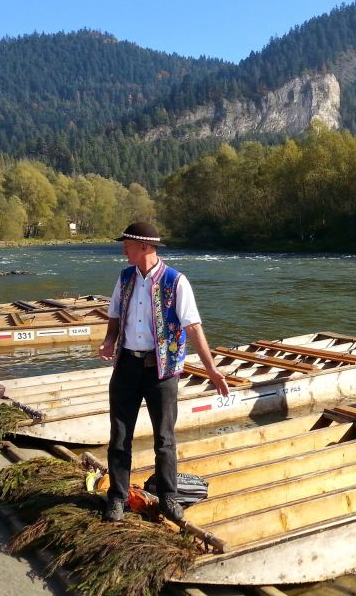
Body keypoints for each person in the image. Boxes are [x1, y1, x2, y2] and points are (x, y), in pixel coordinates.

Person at [98, 222, 229, 522]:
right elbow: (115, 315)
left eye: (127, 245)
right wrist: (108, 341)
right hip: (127, 367)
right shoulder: (125, 278)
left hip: (163, 371)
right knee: (119, 436)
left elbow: (193, 326)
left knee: (164, 438)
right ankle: (117, 498)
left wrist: (211, 369)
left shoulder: (175, 281)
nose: (123, 249)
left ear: (144, 246)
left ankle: (168, 498)